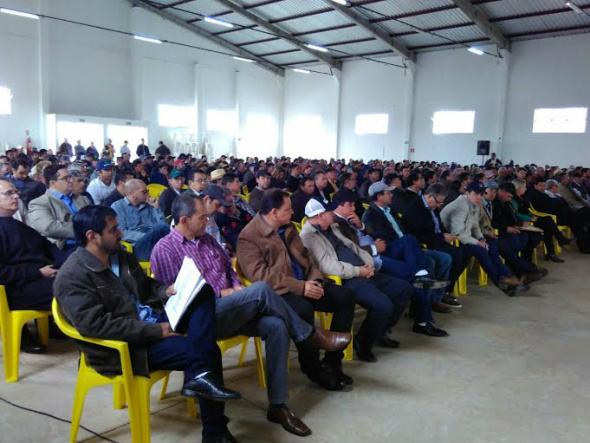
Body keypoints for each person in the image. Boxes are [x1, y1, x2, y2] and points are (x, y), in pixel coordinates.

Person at [151, 193, 350, 437]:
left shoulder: (207, 240)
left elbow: (228, 269)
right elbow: (174, 299)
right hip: (201, 319)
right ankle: (309, 334)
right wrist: (220, 292)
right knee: (262, 289)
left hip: (230, 308)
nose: (208, 220)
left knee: (277, 325)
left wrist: (234, 286)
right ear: (184, 220)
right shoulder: (165, 249)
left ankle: (278, 405)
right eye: (202, 217)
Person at [53, 205, 241, 443]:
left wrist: (167, 290)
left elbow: (147, 287)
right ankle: (214, 431)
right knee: (207, 352)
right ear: (92, 236)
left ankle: (198, 377)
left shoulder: (120, 256)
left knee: (202, 292)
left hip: (150, 319)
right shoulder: (73, 275)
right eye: (113, 230)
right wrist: (156, 331)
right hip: (126, 345)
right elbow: (96, 326)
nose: (120, 233)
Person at [237, 189, 356, 391]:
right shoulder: (249, 237)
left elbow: (307, 256)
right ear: (274, 212)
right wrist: (301, 287)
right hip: (281, 292)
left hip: (306, 282)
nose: (293, 213)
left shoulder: (288, 227)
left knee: (345, 297)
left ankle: (333, 361)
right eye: (288, 209)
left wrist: (315, 279)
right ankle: (313, 369)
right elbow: (260, 276)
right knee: (303, 310)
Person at [300, 199, 421, 362]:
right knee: (383, 305)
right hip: (347, 279)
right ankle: (363, 343)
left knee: (404, 288)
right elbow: (329, 267)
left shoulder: (332, 227)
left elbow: (355, 248)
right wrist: (359, 271)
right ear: (321, 215)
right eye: (330, 212)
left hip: (364, 271)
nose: (334, 214)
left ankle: (379, 332)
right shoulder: (308, 237)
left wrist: (369, 264)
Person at [0, 178, 71, 353]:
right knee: (72, 288)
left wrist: (63, 265)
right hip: (15, 289)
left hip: (39, 277)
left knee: (81, 258)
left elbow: (48, 247)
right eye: (9, 193)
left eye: (16, 192)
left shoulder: (18, 225)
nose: (16, 196)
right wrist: (38, 272)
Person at [440, 181, 526, 296]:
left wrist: (481, 238)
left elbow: (475, 225)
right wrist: (477, 242)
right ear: (467, 193)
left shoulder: (473, 203)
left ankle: (505, 277)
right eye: (476, 194)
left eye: (481, 194)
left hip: (466, 235)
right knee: (481, 250)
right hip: (452, 239)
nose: (479, 197)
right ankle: (501, 281)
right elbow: (458, 234)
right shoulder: (460, 206)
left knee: (490, 245)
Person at [402, 184, 471, 309]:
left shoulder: (431, 207)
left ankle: (447, 289)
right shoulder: (415, 209)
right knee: (452, 256)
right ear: (429, 196)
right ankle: (440, 294)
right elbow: (417, 236)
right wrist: (442, 237)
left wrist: (445, 233)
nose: (440, 205)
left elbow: (438, 225)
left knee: (466, 253)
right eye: (439, 202)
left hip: (436, 239)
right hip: (426, 243)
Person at [27, 165, 91, 249]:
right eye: (66, 178)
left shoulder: (82, 198)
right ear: (53, 183)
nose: (71, 180)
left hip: (89, 242)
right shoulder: (39, 203)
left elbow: (94, 217)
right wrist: (84, 230)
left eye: (70, 177)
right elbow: (49, 227)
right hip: (65, 248)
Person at [511, 178, 570, 263]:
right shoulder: (513, 199)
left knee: (547, 223)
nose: (526, 189)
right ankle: (556, 245)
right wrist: (530, 218)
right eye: (524, 187)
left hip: (531, 217)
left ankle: (554, 249)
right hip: (523, 221)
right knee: (547, 223)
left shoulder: (524, 197)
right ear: (518, 187)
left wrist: (532, 216)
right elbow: (516, 214)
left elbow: (530, 209)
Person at [111, 179, 170, 261]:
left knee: (164, 227)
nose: (148, 194)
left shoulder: (148, 204)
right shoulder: (118, 206)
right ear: (131, 193)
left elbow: (162, 224)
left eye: (147, 191)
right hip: (137, 248)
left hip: (156, 243)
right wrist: (147, 236)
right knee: (162, 227)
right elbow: (122, 233)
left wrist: (156, 208)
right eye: (144, 192)